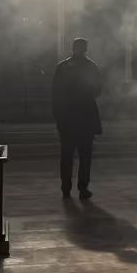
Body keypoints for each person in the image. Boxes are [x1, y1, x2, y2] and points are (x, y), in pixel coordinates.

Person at [51, 37, 102, 200]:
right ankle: (82, 188)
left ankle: (66, 188)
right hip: (85, 118)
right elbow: (98, 90)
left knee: (66, 155)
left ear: (72, 48)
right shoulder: (91, 66)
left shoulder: (63, 67)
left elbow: (55, 94)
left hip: (67, 118)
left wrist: (58, 119)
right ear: (86, 49)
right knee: (85, 156)